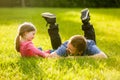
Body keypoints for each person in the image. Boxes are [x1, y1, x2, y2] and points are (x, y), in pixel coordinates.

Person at [41, 8, 107, 58]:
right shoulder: (65, 47)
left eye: (70, 49)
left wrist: (80, 58)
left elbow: (103, 56)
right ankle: (86, 21)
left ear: (80, 52)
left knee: (91, 43)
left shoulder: (90, 46)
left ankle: (86, 21)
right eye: (68, 47)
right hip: (77, 47)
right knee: (57, 48)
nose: (67, 50)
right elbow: (52, 57)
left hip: (87, 45)